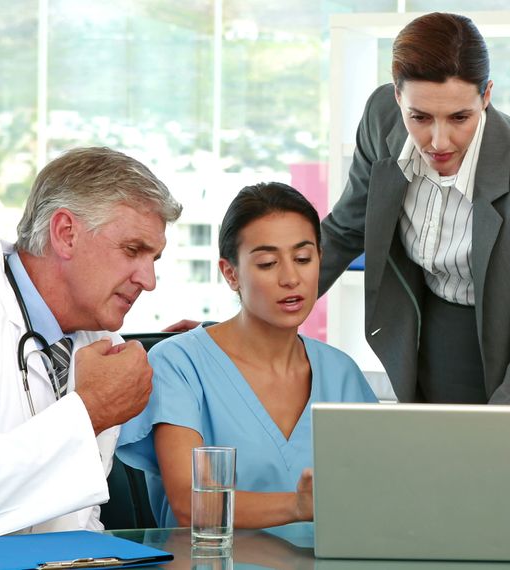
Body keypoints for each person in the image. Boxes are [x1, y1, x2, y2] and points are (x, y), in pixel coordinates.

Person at [0, 147, 182, 543]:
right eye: (133, 250)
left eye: (154, 258)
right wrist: (91, 411)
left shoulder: (103, 344)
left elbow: (80, 521)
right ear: (66, 233)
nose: (149, 280)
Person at [318, 12, 510, 404]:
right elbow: (343, 231)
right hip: (433, 330)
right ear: (397, 97)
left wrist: (500, 434)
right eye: (420, 117)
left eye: (460, 117)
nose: (439, 142)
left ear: (487, 96)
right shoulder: (380, 119)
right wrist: (250, 318)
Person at [117, 182, 377, 529]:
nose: (291, 278)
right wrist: (300, 505)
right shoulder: (178, 364)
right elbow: (189, 503)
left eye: (303, 259)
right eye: (268, 263)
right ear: (231, 273)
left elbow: (379, 493)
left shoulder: (341, 373)